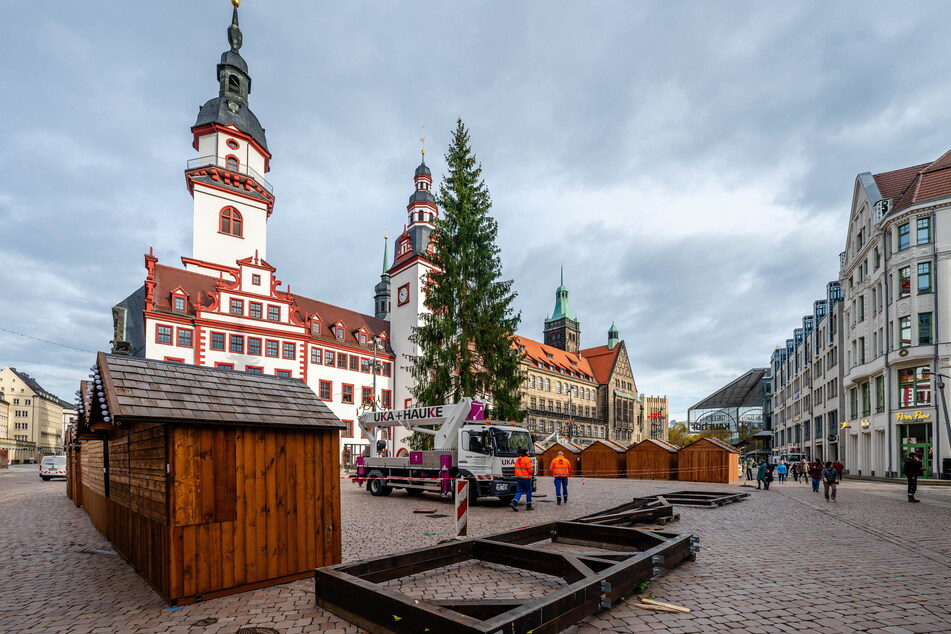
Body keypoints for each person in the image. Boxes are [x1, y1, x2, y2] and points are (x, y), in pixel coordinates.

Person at [511, 448, 535, 512]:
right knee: (528, 491)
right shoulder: (527, 460)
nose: (528, 452)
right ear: (526, 453)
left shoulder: (518, 459)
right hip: (526, 478)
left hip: (519, 478)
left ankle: (514, 503)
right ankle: (529, 505)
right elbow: (530, 470)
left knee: (519, 491)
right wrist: (532, 472)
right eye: (528, 451)